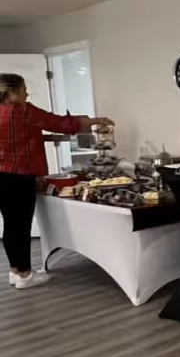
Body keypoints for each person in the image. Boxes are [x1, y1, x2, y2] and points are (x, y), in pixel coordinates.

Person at [0, 73, 114, 289]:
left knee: (11, 225)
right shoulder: (24, 111)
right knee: (21, 226)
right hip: (20, 177)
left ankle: (16, 271)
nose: (27, 94)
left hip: (2, 177)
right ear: (12, 92)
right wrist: (96, 121)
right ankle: (25, 275)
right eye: (24, 90)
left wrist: (40, 137)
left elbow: (15, 137)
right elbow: (60, 123)